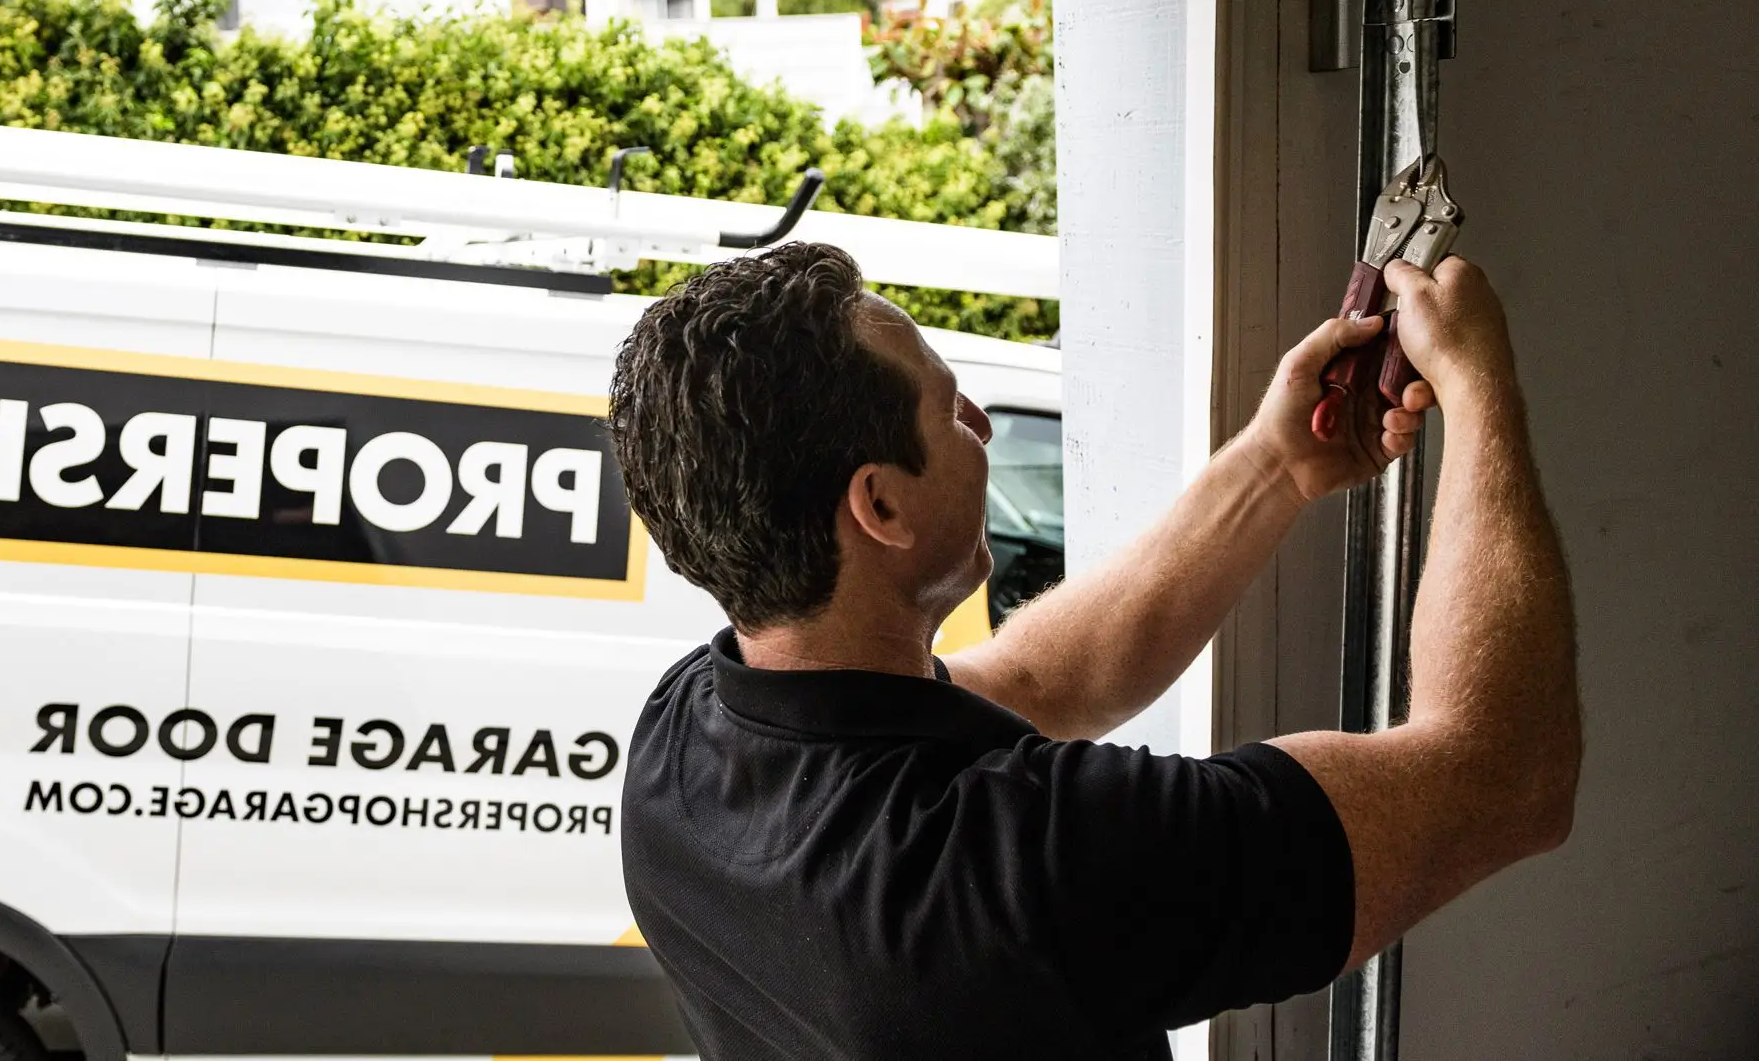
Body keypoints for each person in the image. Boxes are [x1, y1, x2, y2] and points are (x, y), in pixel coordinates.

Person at [606, 242, 1580, 1059]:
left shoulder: (683, 741)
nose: (981, 422)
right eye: (947, 409)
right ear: (879, 504)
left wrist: (1275, 463)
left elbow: (1035, 680)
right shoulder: (1034, 866)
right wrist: (1477, 383)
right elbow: (1502, 771)